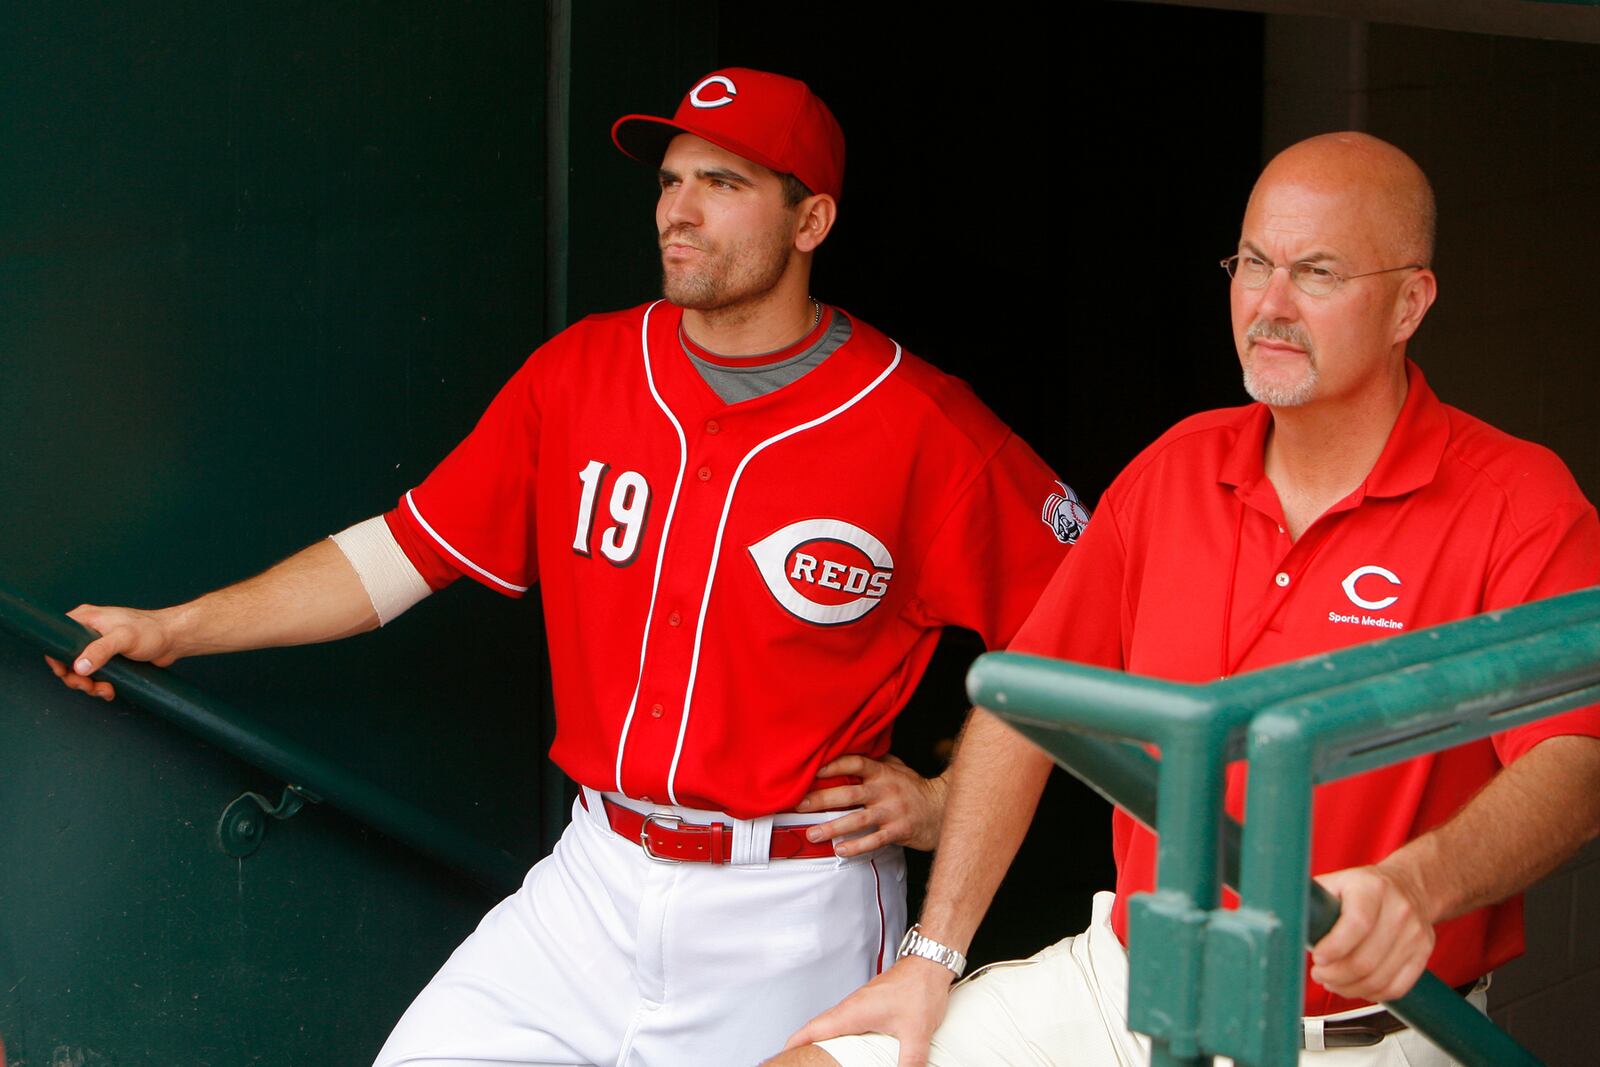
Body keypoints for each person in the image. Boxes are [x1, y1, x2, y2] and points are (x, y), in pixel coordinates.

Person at [45, 68, 1081, 1066]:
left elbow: (1072, 636)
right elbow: (404, 552)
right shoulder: (581, 371)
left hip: (791, 902)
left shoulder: (922, 425)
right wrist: (176, 627)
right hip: (596, 877)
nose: (679, 209)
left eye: (724, 183)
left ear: (810, 223)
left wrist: (950, 798)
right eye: (672, 179)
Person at [774, 132, 1600, 1067]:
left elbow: (1574, 759)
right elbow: (1028, 700)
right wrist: (932, 955)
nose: (1270, 306)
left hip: (1361, 1033)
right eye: (1253, 264)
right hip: (1124, 986)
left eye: (1318, 272)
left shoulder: (1518, 499)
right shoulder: (1179, 465)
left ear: (1411, 301)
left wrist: (1417, 885)